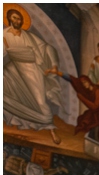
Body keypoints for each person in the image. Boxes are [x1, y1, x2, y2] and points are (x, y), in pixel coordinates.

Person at [3, 7, 63, 144]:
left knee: (40, 101)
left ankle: (51, 130)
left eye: (18, 18)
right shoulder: (4, 35)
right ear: (9, 19)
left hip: (31, 69)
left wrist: (53, 65)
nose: (17, 20)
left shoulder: (28, 36)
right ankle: (16, 121)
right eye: (14, 18)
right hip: (14, 68)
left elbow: (47, 48)